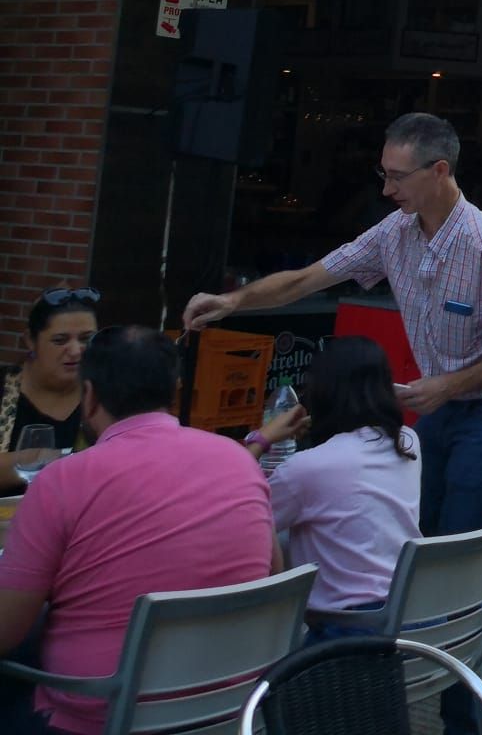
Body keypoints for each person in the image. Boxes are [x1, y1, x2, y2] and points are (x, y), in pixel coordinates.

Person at [182, 112, 482, 735]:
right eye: (381, 174)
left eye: (396, 176)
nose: (386, 189)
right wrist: (234, 302)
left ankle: (466, 719)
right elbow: (311, 277)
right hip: (439, 410)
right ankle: (394, 699)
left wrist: (448, 385)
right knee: (421, 557)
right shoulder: (397, 231)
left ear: (440, 172)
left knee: (456, 569)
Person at [0, 328, 277, 735]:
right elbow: (273, 570)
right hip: (228, 710)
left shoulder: (62, 481)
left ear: (89, 395)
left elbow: (5, 634)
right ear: (176, 393)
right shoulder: (240, 462)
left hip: (96, 715)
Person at [251, 335, 421, 629]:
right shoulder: (407, 441)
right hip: (416, 615)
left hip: (348, 634)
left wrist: (262, 439)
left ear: (320, 393)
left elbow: (240, 514)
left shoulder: (306, 468)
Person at [0, 288, 98, 488]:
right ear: (30, 341)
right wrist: (52, 460)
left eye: (86, 339)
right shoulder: (4, 386)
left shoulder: (107, 394)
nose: (75, 350)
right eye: (59, 340)